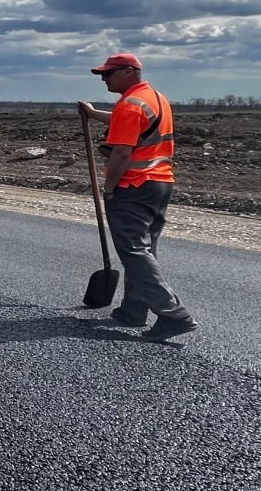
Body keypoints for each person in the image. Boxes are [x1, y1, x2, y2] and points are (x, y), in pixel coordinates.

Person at [78, 53, 198, 342]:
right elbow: (127, 121)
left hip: (133, 186)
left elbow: (121, 152)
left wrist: (109, 188)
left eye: (109, 74)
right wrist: (95, 114)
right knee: (143, 250)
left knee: (133, 250)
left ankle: (173, 314)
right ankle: (133, 310)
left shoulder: (131, 104)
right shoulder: (153, 97)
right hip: (159, 184)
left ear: (130, 71)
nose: (104, 79)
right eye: (102, 75)